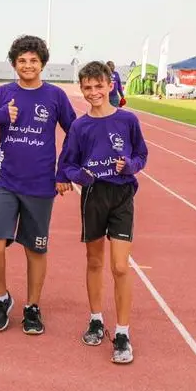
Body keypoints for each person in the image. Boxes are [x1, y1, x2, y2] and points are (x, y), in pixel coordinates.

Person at [0, 35, 76, 334]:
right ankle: (2, 299)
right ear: (14, 64)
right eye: (22, 61)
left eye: (33, 60)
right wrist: (1, 114)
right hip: (4, 180)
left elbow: (75, 132)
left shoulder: (55, 96)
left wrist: (64, 171)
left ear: (42, 63)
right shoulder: (3, 93)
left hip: (41, 184)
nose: (27, 65)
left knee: (35, 249)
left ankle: (32, 307)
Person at [57, 61, 148, 364]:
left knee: (120, 266)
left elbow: (141, 154)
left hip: (121, 195)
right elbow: (66, 164)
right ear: (81, 90)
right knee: (94, 261)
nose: (94, 92)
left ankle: (122, 332)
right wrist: (79, 177)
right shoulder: (80, 126)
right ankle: (96, 319)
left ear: (110, 86)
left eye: (99, 86)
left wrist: (131, 166)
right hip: (93, 196)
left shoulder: (128, 120)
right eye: (88, 87)